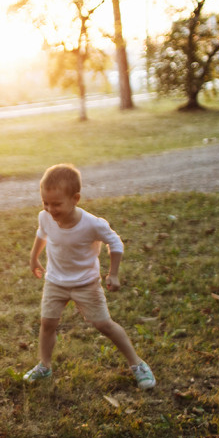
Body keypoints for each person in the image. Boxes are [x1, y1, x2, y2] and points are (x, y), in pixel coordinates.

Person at [24, 164, 156, 390]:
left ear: (75, 198)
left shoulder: (92, 224)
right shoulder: (45, 217)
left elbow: (115, 242)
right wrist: (34, 258)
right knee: (47, 324)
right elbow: (42, 233)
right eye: (45, 203)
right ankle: (44, 365)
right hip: (55, 281)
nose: (50, 209)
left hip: (86, 283)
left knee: (103, 324)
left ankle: (137, 363)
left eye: (56, 204)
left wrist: (113, 274)